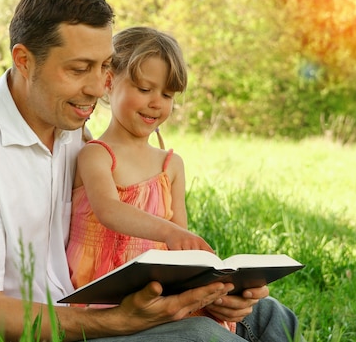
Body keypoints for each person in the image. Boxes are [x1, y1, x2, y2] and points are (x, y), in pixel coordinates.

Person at [0, 0, 305, 342]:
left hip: (77, 313)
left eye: (105, 66)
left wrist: (208, 292)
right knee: (199, 335)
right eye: (79, 68)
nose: (96, 88)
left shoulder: (71, 128)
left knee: (267, 315)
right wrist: (120, 322)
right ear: (23, 60)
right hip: (15, 333)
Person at [66, 26, 235, 333]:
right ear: (108, 82)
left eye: (167, 94)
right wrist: (169, 233)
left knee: (268, 314)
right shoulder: (96, 155)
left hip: (160, 293)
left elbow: (181, 245)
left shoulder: (171, 165)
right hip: (106, 303)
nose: (156, 102)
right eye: (144, 89)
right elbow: (109, 210)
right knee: (204, 334)